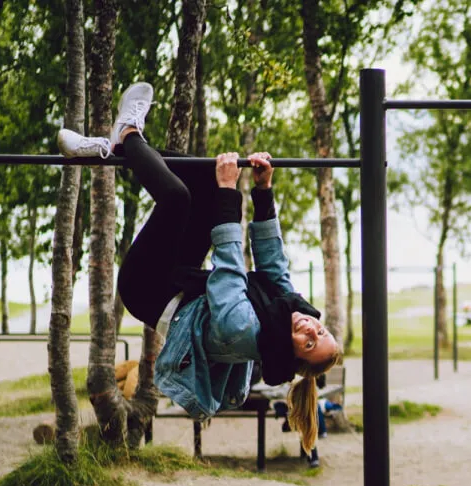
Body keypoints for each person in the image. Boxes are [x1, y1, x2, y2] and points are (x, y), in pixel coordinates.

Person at [56, 82, 342, 455]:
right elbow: (273, 262)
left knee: (178, 199)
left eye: (308, 343)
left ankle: (126, 132)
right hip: (182, 279)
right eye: (319, 331)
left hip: (148, 290)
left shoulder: (248, 334)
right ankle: (113, 148)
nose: (309, 330)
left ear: (293, 355)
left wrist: (230, 194)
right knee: (207, 182)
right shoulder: (286, 308)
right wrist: (262, 191)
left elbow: (229, 270)